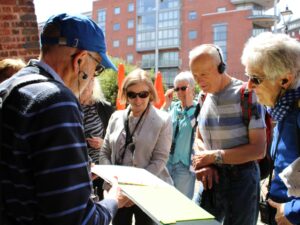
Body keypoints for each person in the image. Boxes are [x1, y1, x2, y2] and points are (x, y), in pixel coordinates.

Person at [0, 13, 125, 225]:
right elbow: (78, 220)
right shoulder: (57, 100)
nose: (93, 77)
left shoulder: (8, 86)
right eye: (97, 68)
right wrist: (114, 200)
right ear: (80, 60)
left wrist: (76, 175)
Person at [189, 44, 266, 225]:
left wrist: (213, 157)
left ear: (221, 67)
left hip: (242, 182)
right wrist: (205, 163)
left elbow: (258, 149)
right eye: (195, 75)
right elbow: (199, 138)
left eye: (204, 74)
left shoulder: (247, 95)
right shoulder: (203, 97)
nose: (199, 81)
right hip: (212, 179)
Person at [99, 68, 173, 225]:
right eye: (132, 94)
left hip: (148, 191)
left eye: (143, 94)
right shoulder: (115, 117)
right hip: (117, 190)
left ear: (151, 94)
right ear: (125, 94)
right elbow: (104, 152)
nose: (137, 100)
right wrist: (113, 182)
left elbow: (159, 160)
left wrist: (133, 192)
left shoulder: (163, 120)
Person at [241, 32, 300, 225]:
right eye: (248, 76)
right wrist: (271, 181)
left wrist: (292, 211)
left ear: (285, 80)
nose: (248, 86)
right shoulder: (283, 109)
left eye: (256, 79)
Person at [162, 71, 197, 199]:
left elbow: (196, 125)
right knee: (165, 201)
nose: (180, 92)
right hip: (167, 162)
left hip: (185, 166)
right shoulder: (173, 107)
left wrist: (189, 106)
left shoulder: (199, 107)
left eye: (184, 88)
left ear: (192, 88)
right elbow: (158, 124)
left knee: (182, 203)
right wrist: (166, 104)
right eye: (177, 89)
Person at [80, 78, 114, 199]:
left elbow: (115, 138)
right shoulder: (74, 106)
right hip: (83, 168)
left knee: (102, 201)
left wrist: (103, 143)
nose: (84, 88)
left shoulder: (105, 107)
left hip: (102, 167)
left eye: (88, 85)